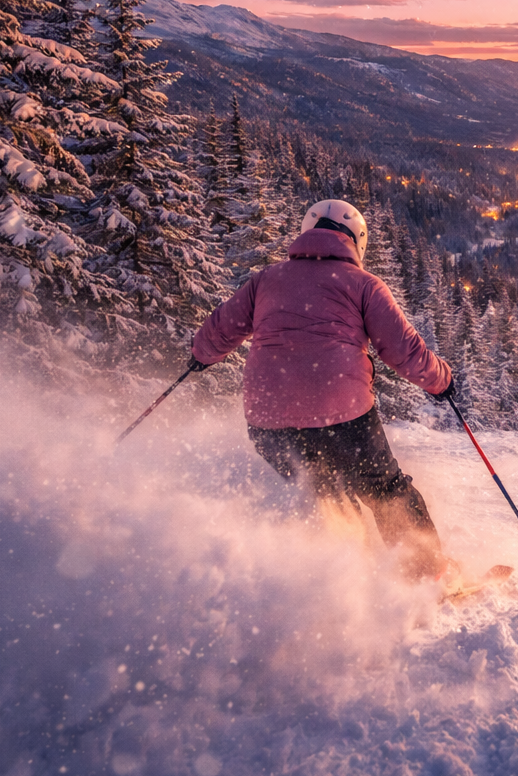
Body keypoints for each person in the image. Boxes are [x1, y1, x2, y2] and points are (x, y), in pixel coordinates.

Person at [190, 199, 456, 580]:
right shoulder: (363, 284)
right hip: (342, 414)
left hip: (268, 420)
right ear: (356, 240)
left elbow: (218, 329)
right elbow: (403, 349)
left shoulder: (265, 279)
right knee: (385, 491)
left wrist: (201, 356)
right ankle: (425, 574)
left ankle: (343, 584)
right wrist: (441, 381)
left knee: (326, 494)